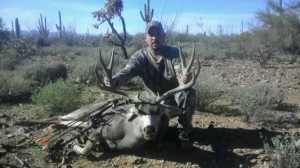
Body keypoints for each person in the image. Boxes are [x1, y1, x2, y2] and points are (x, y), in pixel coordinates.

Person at [105, 20, 196, 145]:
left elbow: (181, 72)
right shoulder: (140, 57)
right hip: (151, 104)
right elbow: (128, 71)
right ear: (145, 38)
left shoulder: (174, 53)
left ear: (163, 36)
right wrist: (115, 80)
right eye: (151, 35)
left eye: (158, 34)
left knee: (187, 92)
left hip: (172, 102)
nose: (155, 38)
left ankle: (183, 131)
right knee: (156, 138)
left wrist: (184, 78)